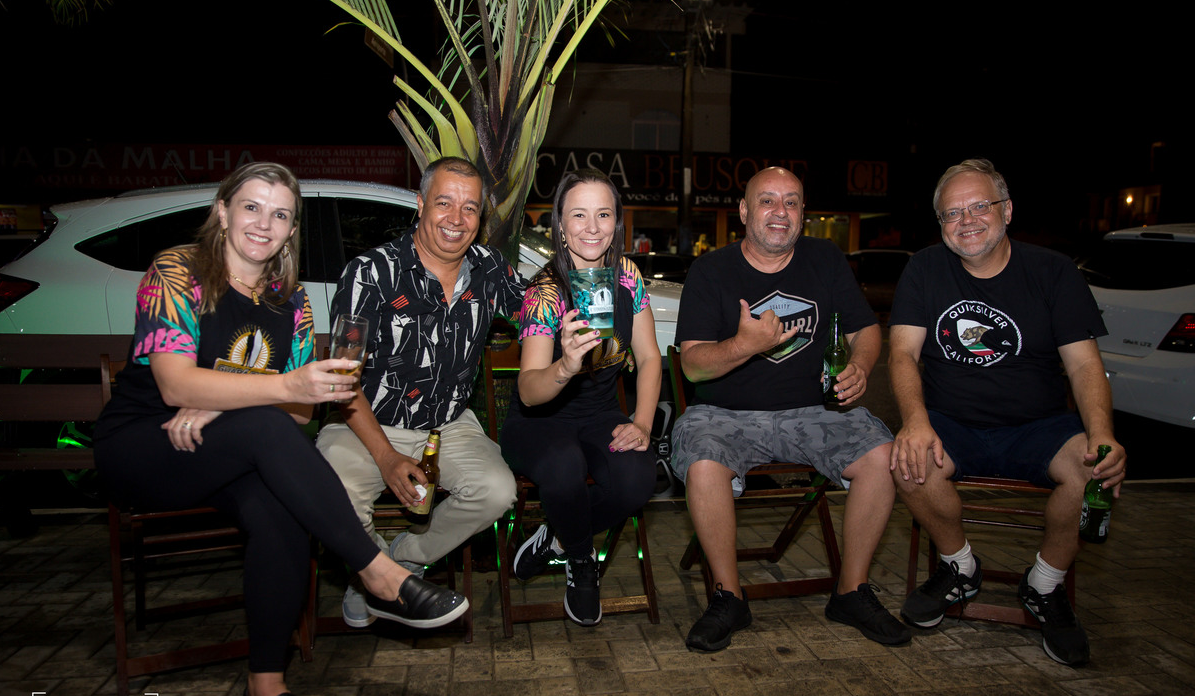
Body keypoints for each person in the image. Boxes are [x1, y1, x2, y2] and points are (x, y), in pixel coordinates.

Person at [95, 162, 467, 696]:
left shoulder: (290, 301)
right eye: (251, 207)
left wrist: (223, 401)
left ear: (292, 230)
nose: (263, 224)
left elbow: (295, 417)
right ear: (223, 211)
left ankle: (265, 690)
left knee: (282, 509)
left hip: (223, 447)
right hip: (146, 444)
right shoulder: (178, 271)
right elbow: (173, 384)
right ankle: (377, 572)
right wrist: (270, 390)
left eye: (280, 215)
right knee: (266, 424)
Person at [889, 158, 1126, 667]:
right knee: (906, 462)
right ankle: (960, 567)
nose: (967, 220)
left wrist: (1102, 434)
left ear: (1007, 210)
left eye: (980, 206)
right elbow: (903, 354)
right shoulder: (925, 268)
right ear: (941, 223)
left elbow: (1085, 365)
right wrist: (915, 420)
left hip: (1040, 425)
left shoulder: (1053, 272)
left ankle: (1045, 584)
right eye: (953, 213)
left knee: (1094, 473)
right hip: (952, 422)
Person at [671, 166, 910, 652]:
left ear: (803, 213)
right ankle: (729, 597)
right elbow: (692, 366)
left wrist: (861, 366)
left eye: (791, 202)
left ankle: (851, 591)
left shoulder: (825, 259)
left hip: (813, 411)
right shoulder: (711, 270)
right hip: (724, 414)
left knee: (882, 456)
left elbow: (866, 330)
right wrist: (745, 344)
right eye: (767, 200)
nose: (780, 211)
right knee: (702, 461)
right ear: (744, 211)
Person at [316, 156, 523, 627]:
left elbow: (538, 311)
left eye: (470, 208)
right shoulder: (370, 272)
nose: (457, 219)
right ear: (421, 203)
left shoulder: (490, 268)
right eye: (444, 203)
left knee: (496, 491)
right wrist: (386, 457)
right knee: (332, 491)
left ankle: (402, 560)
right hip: (365, 419)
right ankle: (369, 576)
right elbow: (342, 381)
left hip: (447, 425)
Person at [500, 169, 661, 626]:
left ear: (617, 222)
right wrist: (565, 367)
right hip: (539, 422)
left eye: (603, 214)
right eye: (579, 215)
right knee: (565, 466)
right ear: (560, 224)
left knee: (638, 478)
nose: (592, 227)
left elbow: (649, 357)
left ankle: (558, 535)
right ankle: (580, 559)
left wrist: (643, 422)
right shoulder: (545, 291)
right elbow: (529, 391)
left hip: (599, 415)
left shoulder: (627, 277)